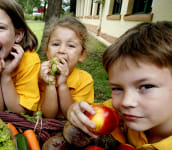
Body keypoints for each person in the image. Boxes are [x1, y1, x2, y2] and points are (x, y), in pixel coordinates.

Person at [67, 21, 172, 149]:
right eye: (117, 88)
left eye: (146, 86)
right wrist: (76, 111)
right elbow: (92, 110)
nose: (126, 102)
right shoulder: (123, 111)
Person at [39, 16, 94, 118]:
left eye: (71, 46)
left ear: (82, 55)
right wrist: (50, 84)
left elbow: (72, 115)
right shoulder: (41, 75)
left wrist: (63, 85)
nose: (61, 50)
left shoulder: (85, 80)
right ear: (47, 51)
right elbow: (49, 115)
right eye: (55, 44)